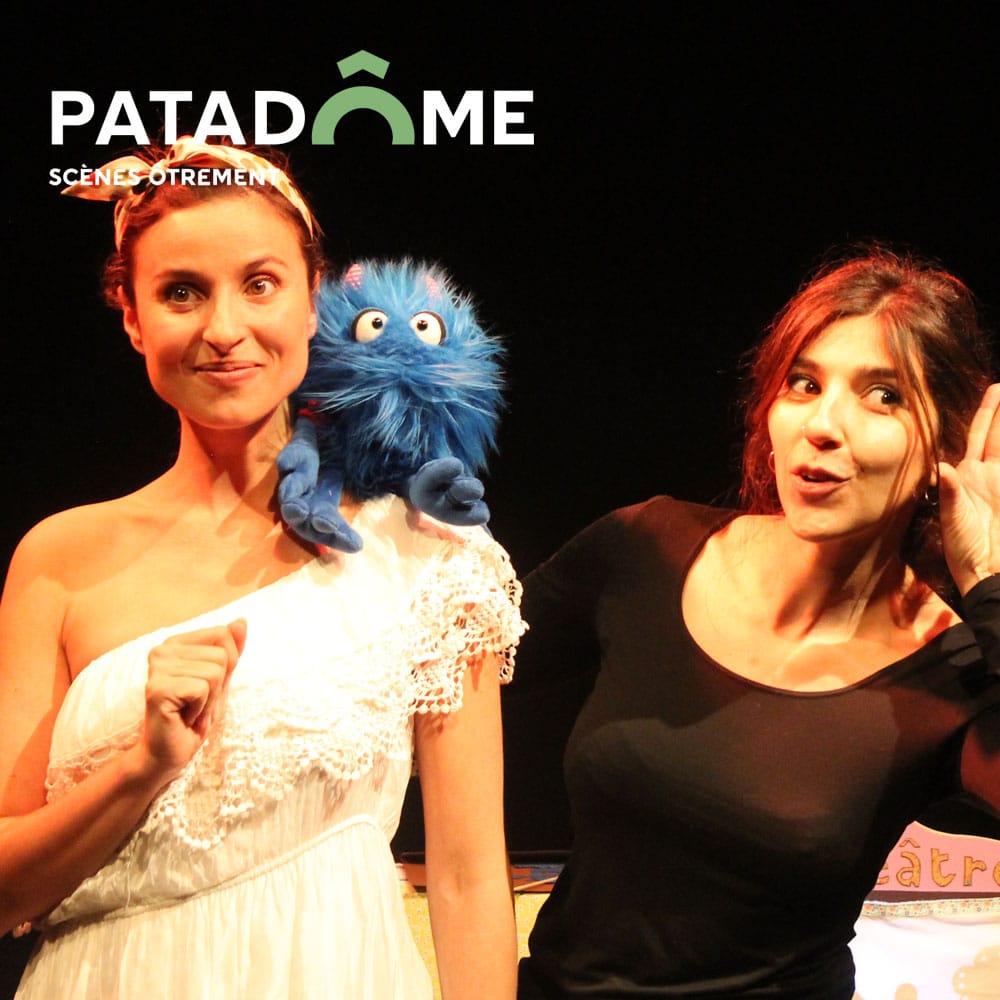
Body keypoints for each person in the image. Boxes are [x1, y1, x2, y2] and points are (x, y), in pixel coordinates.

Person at [0, 138, 522, 1000]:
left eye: (260, 283)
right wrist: (142, 766)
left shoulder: (423, 549)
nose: (223, 328)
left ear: (314, 298)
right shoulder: (60, 560)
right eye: (181, 292)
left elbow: (467, 877)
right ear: (132, 317)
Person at [511, 249, 1000, 999]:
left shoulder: (949, 669)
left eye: (883, 396)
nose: (823, 424)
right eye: (804, 384)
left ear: (947, 445)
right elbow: (437, 683)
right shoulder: (645, 549)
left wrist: (989, 578)